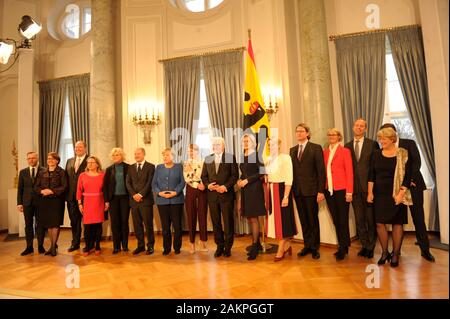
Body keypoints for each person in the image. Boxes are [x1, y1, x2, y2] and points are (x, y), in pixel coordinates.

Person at [380, 123, 435, 262]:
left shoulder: (409, 143)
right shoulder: (384, 147)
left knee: (418, 218)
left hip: (413, 185)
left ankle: (425, 250)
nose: (384, 137)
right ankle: (396, 251)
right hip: (395, 190)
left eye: (388, 134)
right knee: (397, 220)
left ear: (394, 133)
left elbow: (416, 163)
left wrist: (408, 180)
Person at [368, 127, 412, 267]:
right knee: (380, 223)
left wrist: (401, 194)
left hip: (397, 193)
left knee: (397, 223)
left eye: (384, 139)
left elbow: (407, 176)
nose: (381, 141)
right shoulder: (375, 154)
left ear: (392, 139)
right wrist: (370, 192)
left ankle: (395, 254)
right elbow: (371, 175)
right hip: (380, 194)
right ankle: (385, 252)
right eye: (380, 139)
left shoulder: (403, 154)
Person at [290, 123, 326, 260]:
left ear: (307, 133)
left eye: (301, 131)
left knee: (313, 220)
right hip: (298, 191)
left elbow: (321, 171)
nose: (298, 133)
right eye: (297, 131)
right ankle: (307, 245)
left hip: (312, 191)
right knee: (303, 220)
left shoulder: (315, 148)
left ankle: (315, 248)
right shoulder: (292, 150)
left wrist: (321, 190)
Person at [344, 119, 379, 259]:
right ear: (353, 127)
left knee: (370, 219)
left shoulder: (372, 144)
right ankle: (364, 245)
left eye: (362, 126)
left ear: (365, 129)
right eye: (357, 125)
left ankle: (371, 247)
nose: (359, 128)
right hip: (354, 189)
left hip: (369, 188)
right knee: (359, 220)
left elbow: (375, 167)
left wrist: (373, 188)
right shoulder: (346, 146)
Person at [201, 137, 238, 258]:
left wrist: (225, 187)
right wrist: (208, 185)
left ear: (223, 146)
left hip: (226, 195)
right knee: (216, 222)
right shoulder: (208, 158)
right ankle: (219, 246)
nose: (215, 146)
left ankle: (228, 247)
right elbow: (204, 176)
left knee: (228, 222)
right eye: (214, 144)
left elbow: (234, 175)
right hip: (212, 196)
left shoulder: (230, 157)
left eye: (218, 144)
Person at [323, 128, 353, 261]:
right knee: (336, 219)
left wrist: (349, 191)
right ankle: (343, 244)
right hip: (329, 190)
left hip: (342, 189)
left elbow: (349, 172)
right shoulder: (325, 152)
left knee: (342, 219)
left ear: (339, 137)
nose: (331, 136)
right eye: (329, 134)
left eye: (333, 134)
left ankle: (343, 247)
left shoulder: (345, 151)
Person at [265, 138, 297, 262]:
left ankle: (281, 249)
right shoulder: (267, 159)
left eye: (273, 144)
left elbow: (289, 177)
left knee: (283, 221)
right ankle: (287, 245)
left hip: (281, 190)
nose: (271, 147)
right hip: (271, 190)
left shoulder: (285, 158)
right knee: (276, 222)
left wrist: (286, 196)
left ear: (279, 145)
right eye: (269, 145)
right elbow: (267, 177)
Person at [237, 133, 266, 261]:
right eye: (244, 141)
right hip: (245, 190)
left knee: (254, 218)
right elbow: (244, 173)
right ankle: (257, 243)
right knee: (250, 217)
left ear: (253, 142)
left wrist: (247, 180)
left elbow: (262, 172)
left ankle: (255, 246)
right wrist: (239, 180)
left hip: (254, 189)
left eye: (247, 141)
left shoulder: (257, 155)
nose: (245, 143)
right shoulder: (243, 156)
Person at [152, 148, 186, 255]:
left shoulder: (179, 167)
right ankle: (166, 248)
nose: (165, 157)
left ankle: (177, 247)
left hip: (176, 200)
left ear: (173, 156)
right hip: (162, 201)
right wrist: (159, 193)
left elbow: (182, 182)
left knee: (177, 226)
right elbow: (154, 184)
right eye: (164, 155)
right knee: (165, 226)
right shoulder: (159, 167)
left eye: (167, 155)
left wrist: (175, 192)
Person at [34, 152, 67, 257]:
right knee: (49, 224)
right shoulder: (42, 172)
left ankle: (53, 247)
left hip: (56, 201)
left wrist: (52, 191)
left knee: (55, 223)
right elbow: (36, 186)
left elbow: (64, 186)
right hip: (44, 201)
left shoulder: (61, 172)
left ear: (57, 160)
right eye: (48, 159)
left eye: (52, 159)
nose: (50, 160)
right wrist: (42, 191)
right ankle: (52, 247)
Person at [126, 147, 156, 255]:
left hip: (146, 200)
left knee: (148, 225)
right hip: (134, 201)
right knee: (137, 224)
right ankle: (140, 245)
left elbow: (150, 183)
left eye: (138, 153)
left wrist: (140, 194)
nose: (136, 155)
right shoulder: (130, 167)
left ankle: (151, 246)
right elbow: (128, 183)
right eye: (135, 154)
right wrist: (134, 195)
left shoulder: (151, 166)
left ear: (144, 154)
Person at [77, 156, 108, 256]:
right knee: (87, 226)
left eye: (92, 162)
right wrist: (80, 203)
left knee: (98, 226)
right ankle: (88, 246)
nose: (89, 164)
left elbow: (106, 190)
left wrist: (106, 202)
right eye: (88, 162)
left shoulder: (102, 175)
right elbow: (78, 190)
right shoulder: (82, 175)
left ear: (97, 164)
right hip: (87, 202)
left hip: (99, 201)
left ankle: (97, 245)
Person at [17, 151, 46, 255]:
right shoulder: (23, 172)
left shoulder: (44, 170)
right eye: (29, 158)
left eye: (33, 158)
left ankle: (40, 246)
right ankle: (29, 247)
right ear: (27, 160)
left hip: (40, 202)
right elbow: (20, 188)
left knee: (40, 225)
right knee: (28, 225)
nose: (31, 160)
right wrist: (19, 203)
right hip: (27, 202)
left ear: (37, 158)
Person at [103, 148, 130, 254]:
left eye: (117, 155)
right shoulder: (109, 169)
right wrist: (106, 200)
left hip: (125, 198)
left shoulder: (128, 167)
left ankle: (125, 245)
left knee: (124, 222)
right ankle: (116, 246)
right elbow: (105, 186)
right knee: (115, 223)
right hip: (113, 199)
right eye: (114, 155)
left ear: (122, 156)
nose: (115, 157)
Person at [183, 144, 208, 253]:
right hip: (191, 189)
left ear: (197, 151)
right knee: (191, 215)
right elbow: (187, 177)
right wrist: (197, 185)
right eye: (189, 151)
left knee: (202, 215)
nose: (191, 153)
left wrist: (204, 185)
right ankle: (191, 242)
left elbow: (206, 176)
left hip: (203, 189)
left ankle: (203, 241)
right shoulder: (186, 163)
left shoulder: (203, 162)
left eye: (192, 151)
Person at [65, 141, 89, 252]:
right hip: (71, 197)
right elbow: (66, 179)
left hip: (86, 197)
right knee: (74, 221)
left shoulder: (90, 160)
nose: (77, 148)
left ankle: (89, 243)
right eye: (76, 147)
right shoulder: (69, 161)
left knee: (88, 221)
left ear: (85, 148)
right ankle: (75, 243)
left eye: (80, 147)